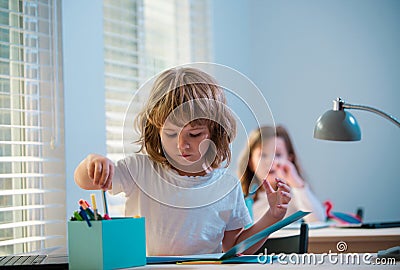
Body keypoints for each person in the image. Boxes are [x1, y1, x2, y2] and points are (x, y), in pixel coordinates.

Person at [74, 67, 291, 256]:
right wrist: (92, 162)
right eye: (169, 134)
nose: (181, 145)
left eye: (194, 134)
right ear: (155, 131)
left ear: (215, 133)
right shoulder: (139, 170)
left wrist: (271, 217)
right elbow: (85, 181)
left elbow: (235, 247)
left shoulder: (227, 187)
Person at [238, 125, 326, 224]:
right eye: (263, 155)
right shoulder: (241, 199)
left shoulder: (292, 196)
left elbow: (318, 220)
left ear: (289, 159)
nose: (270, 162)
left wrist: (297, 183)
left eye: (278, 155)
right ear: (250, 163)